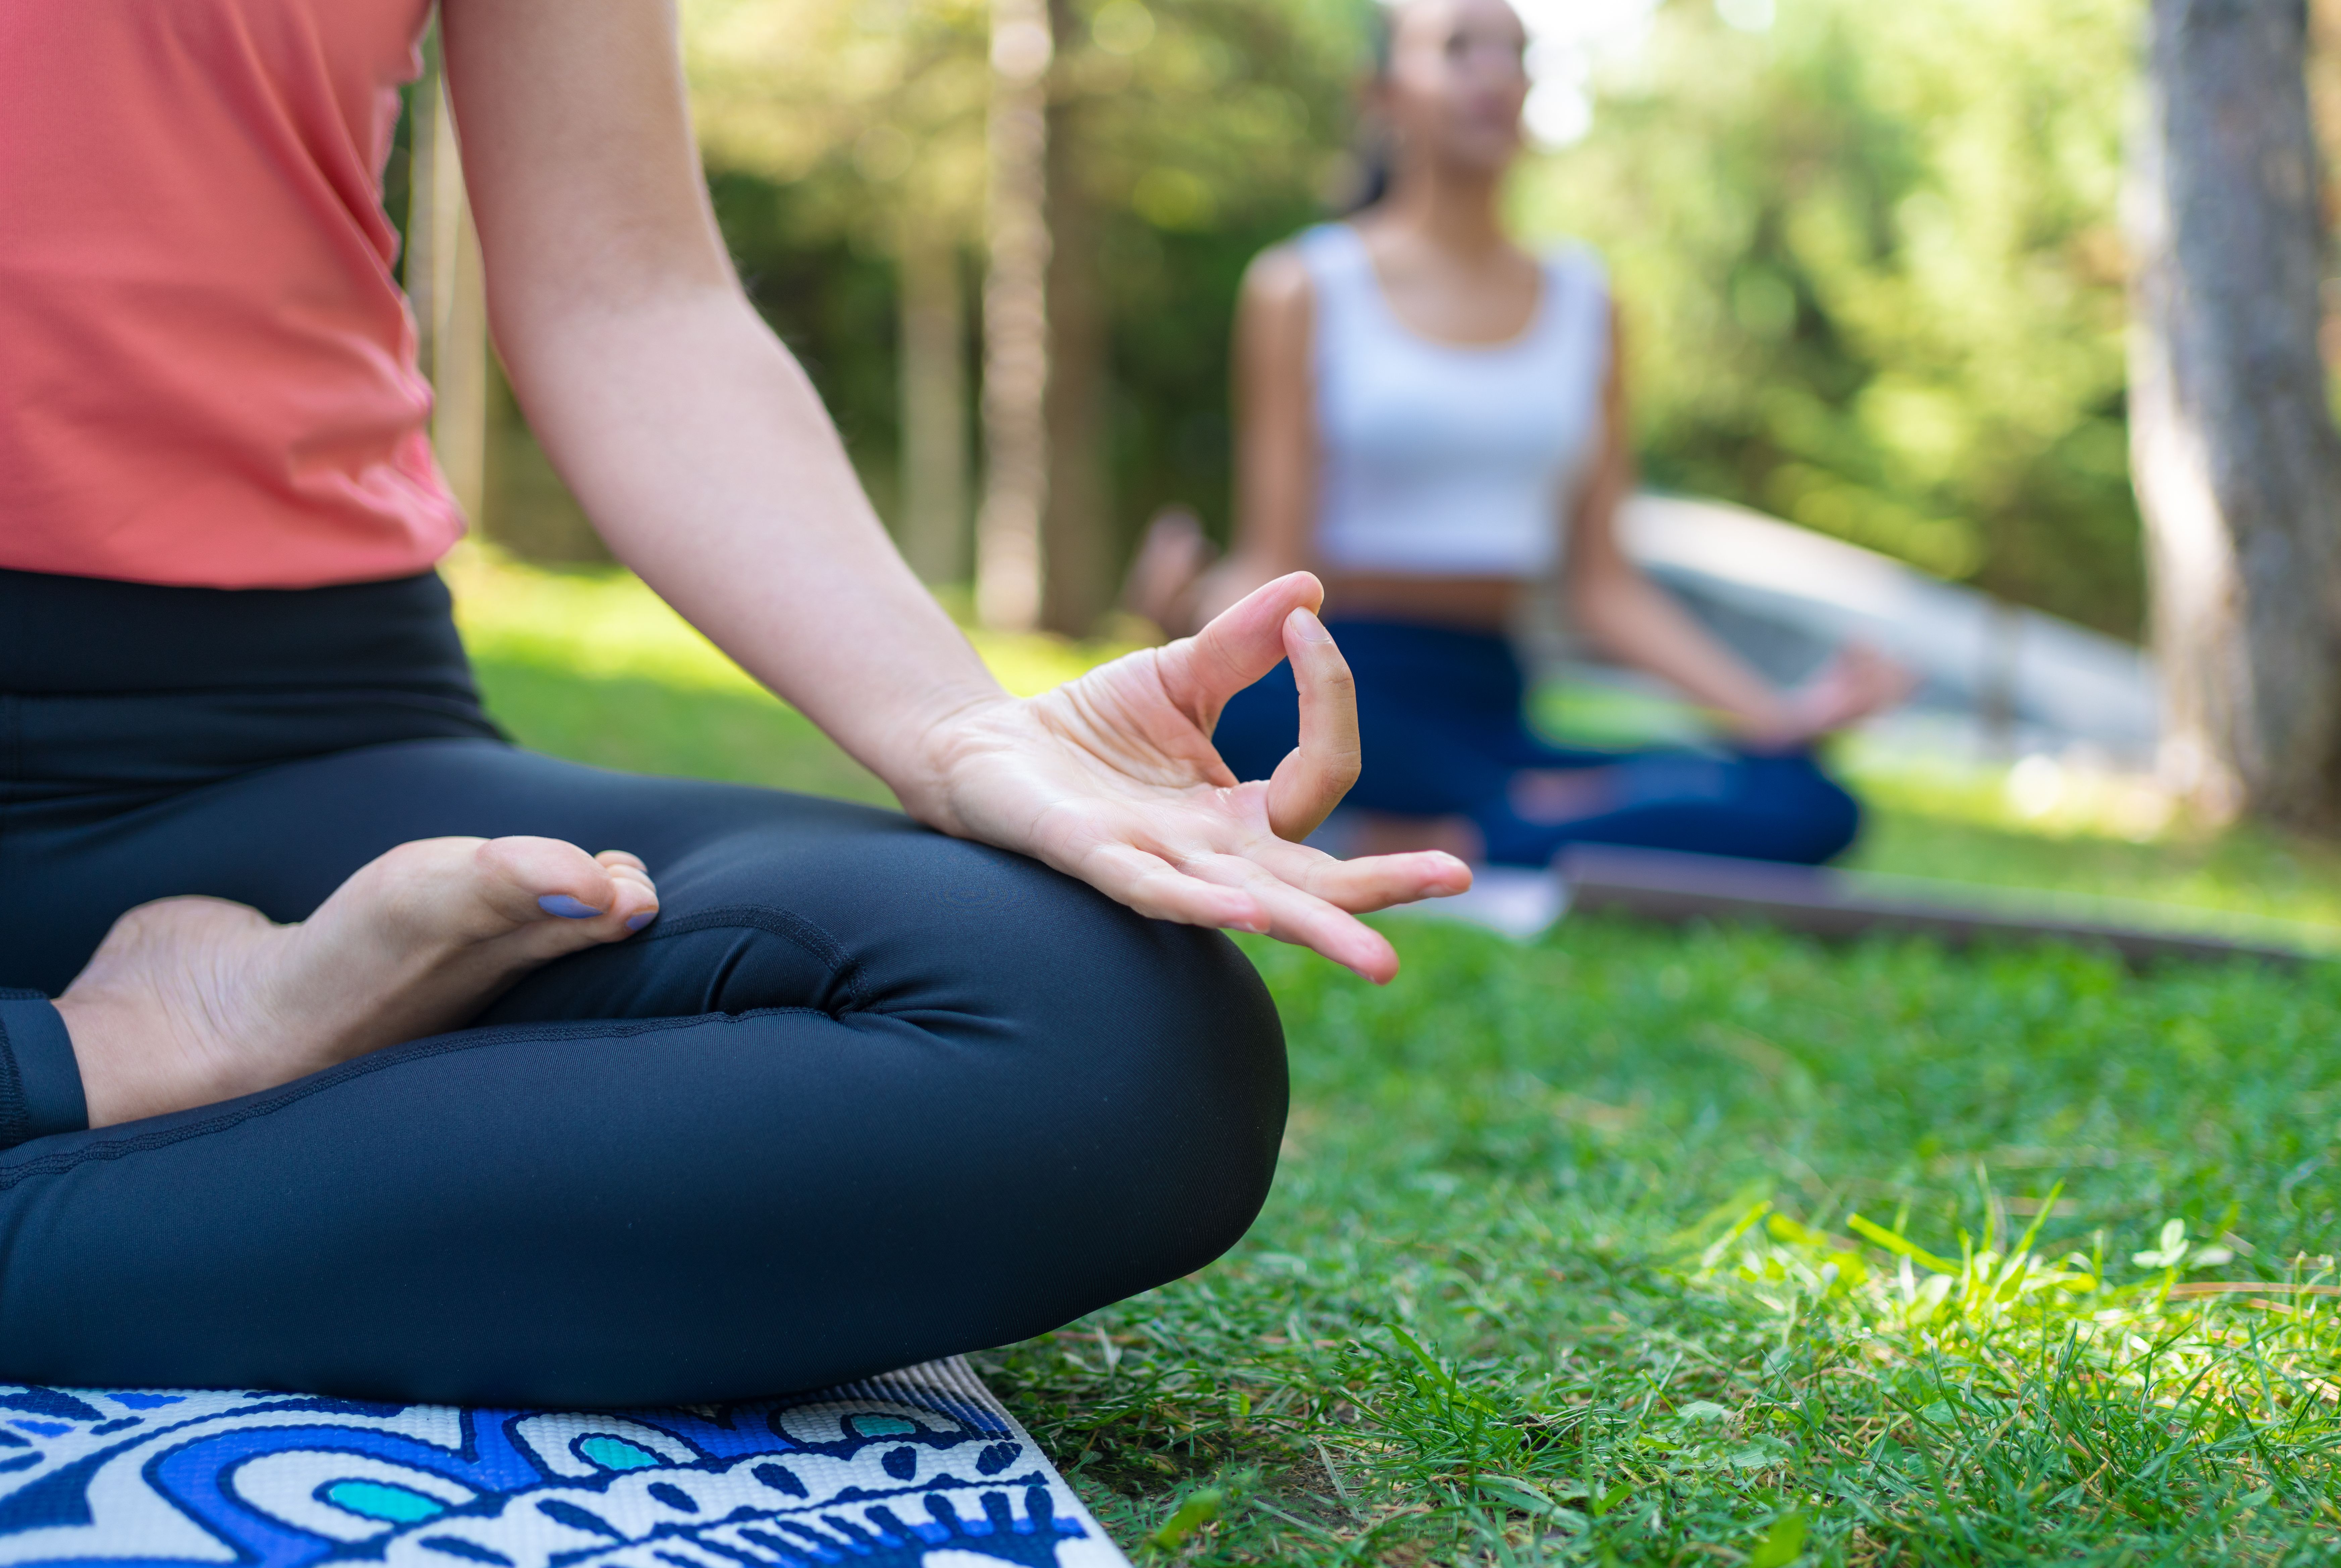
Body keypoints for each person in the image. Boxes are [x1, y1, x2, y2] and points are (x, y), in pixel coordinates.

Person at [0, 0, 1471, 1407]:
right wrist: (89, 1059)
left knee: (1110, 1043)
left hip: (277, 720)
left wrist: (954, 728)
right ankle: (101, 1066)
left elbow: (628, 290)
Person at [1129, 0, 1909, 870]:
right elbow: (1271, 561)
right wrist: (1187, 619)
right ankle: (1513, 821)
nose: (1496, 76)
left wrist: (1776, 718)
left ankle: (1458, 828)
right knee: (1260, 723)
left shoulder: (1588, 303)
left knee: (1808, 803)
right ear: (1381, 92)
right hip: (1339, 688)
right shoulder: (1303, 286)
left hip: (1493, 695)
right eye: (1460, 49)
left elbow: (1604, 588)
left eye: (1516, 53)